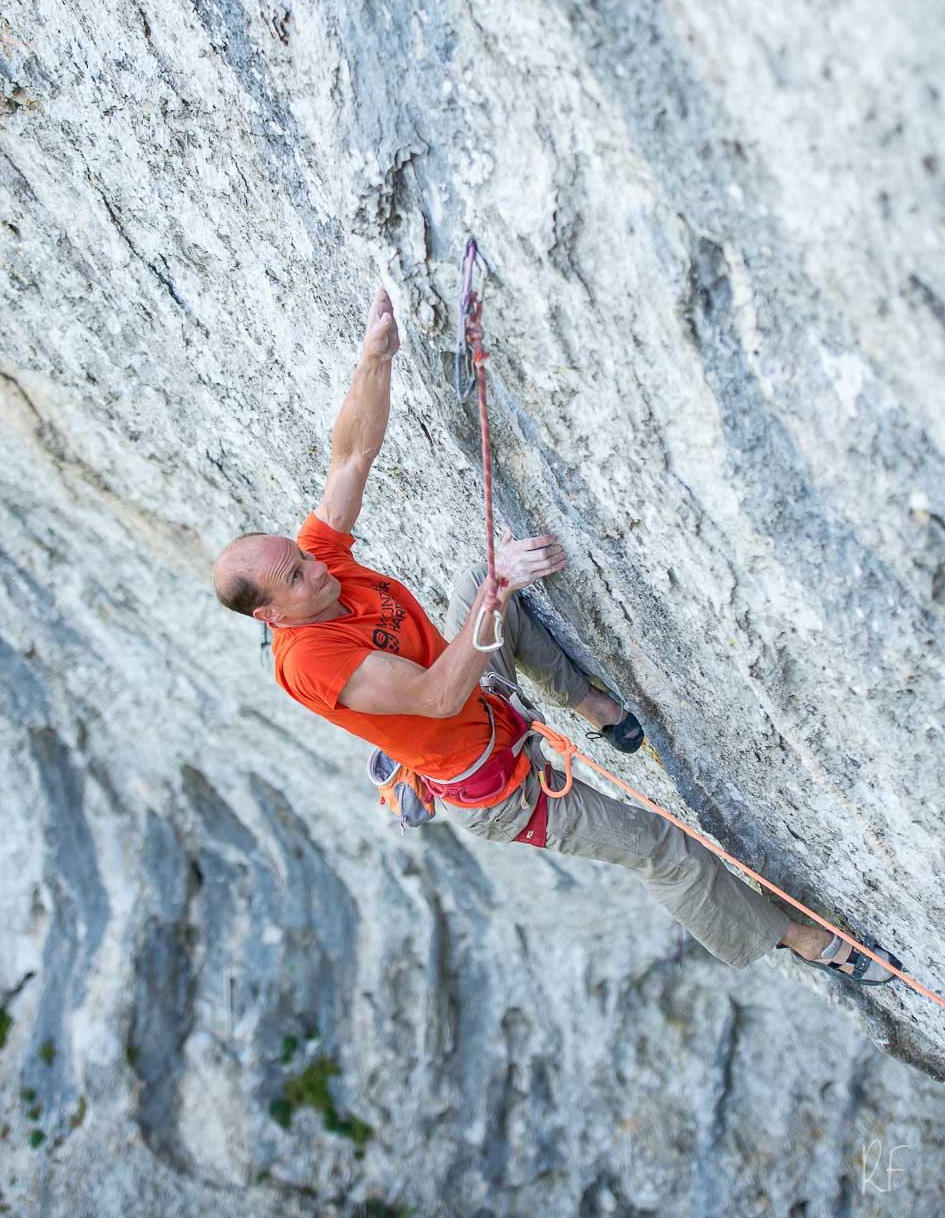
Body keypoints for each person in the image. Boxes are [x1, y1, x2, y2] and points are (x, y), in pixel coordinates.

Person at [214, 285, 900, 985]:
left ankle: (595, 708)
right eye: (296, 579)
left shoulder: (314, 565)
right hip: (497, 786)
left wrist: (375, 358)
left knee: (489, 593)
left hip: (482, 699)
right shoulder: (312, 664)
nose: (316, 571)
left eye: (301, 559)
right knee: (661, 847)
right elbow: (434, 698)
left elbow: (351, 456)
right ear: (271, 616)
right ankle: (799, 940)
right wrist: (494, 590)